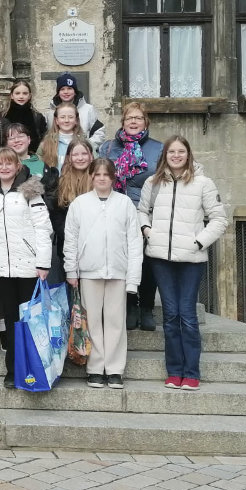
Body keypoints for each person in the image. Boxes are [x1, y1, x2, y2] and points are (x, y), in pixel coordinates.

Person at [139, 136, 227, 391]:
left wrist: (198, 242)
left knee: (187, 315)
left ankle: (191, 372)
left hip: (191, 260)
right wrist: (147, 231)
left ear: (188, 154)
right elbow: (142, 210)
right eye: (171, 152)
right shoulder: (152, 182)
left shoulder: (203, 183)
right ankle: (173, 371)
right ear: (164, 155)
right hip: (161, 259)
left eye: (181, 151)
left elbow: (219, 219)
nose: (176, 156)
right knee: (170, 314)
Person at [64, 158, 143, 390]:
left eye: (106, 175)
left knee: (115, 321)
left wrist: (133, 278)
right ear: (91, 176)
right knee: (93, 322)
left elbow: (134, 242)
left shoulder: (125, 203)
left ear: (113, 178)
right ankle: (96, 368)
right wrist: (72, 269)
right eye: (97, 174)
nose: (101, 178)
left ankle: (115, 369)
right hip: (89, 271)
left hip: (118, 271)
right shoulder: (79, 204)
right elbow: (71, 240)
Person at [0, 148, 52, 388]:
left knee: (30, 320)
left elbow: (43, 229)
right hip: (2, 268)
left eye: (9, 163)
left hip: (29, 267)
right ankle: (13, 369)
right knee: (10, 320)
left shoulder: (29, 191)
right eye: (0, 163)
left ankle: (33, 366)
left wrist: (42, 263)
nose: (4, 167)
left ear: (17, 166)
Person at [99, 101, 165, 331]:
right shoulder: (108, 148)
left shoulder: (158, 148)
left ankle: (146, 306)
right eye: (129, 118)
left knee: (146, 260)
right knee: (122, 258)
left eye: (138, 118)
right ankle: (129, 305)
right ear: (123, 122)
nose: (134, 122)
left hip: (146, 210)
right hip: (116, 209)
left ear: (145, 122)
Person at [49, 140, 94, 283]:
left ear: (91, 156)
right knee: (72, 292)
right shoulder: (59, 182)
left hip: (94, 245)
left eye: (84, 154)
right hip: (68, 246)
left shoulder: (98, 179)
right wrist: (70, 236)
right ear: (68, 157)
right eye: (75, 154)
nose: (80, 158)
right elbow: (56, 216)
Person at [46, 72, 105, 149]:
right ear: (58, 92)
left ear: (75, 91)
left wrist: (87, 147)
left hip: (81, 156)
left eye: (69, 88)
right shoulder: (51, 113)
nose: (66, 92)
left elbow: (99, 132)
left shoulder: (88, 110)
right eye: (62, 89)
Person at [39, 102, 87, 170]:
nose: (66, 120)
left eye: (70, 117)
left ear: (76, 120)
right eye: (62, 117)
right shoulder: (46, 142)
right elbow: (38, 164)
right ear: (57, 120)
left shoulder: (85, 142)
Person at [3, 79, 48, 152]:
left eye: (25, 93)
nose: (21, 96)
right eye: (17, 93)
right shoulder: (2, 116)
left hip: (32, 157)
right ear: (11, 95)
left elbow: (43, 139)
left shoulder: (37, 117)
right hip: (9, 157)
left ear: (29, 95)